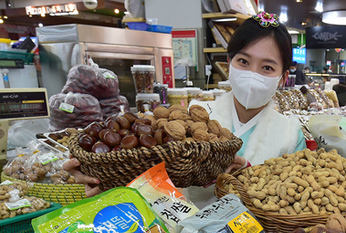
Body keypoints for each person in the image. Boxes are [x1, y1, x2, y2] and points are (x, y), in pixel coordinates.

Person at [64, 12, 306, 205]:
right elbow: (151, 178)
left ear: (283, 78)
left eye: (267, 68)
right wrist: (106, 178)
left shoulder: (290, 134)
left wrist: (248, 174)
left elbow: (297, 199)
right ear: (228, 64)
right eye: (243, 61)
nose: (253, 74)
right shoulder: (192, 117)